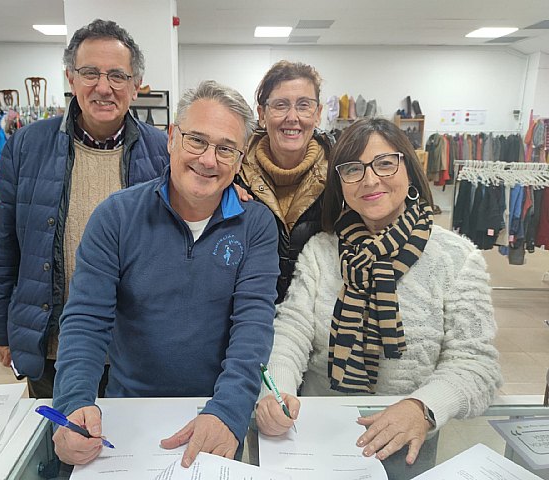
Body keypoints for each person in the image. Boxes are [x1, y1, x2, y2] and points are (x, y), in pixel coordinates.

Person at [255, 118, 502, 476]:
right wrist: (276, 392)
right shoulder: (322, 251)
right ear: (340, 183)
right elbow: (292, 331)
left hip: (408, 442)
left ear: (409, 169)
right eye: (353, 169)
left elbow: (477, 364)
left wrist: (422, 406)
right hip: (316, 433)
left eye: (385, 163)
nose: (370, 180)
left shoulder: (456, 258)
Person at [52, 80, 279, 467]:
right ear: (172, 138)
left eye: (226, 148)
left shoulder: (256, 225)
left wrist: (228, 410)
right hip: (130, 414)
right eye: (196, 141)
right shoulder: (116, 216)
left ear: (240, 160)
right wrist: (74, 402)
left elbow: (253, 326)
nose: (209, 159)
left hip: (217, 407)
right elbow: (86, 321)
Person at [0, 19, 169, 399]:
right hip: (52, 348)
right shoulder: (26, 146)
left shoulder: (163, 151)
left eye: (118, 75)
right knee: (59, 449)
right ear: (71, 77)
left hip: (134, 353)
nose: (104, 87)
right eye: (90, 73)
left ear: (136, 85)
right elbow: (2, 246)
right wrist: (1, 331)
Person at [237, 60, 334, 303]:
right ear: (261, 114)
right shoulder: (232, 172)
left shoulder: (341, 177)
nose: (293, 117)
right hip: (245, 313)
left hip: (316, 317)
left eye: (304, 106)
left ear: (318, 114)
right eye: (280, 105)